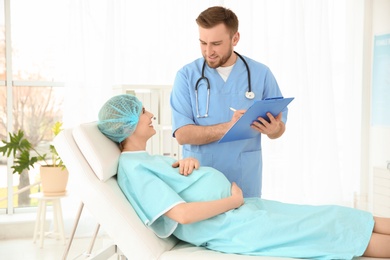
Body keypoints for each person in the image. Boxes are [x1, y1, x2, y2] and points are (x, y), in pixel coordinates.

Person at [98, 94, 390, 260]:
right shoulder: (132, 170)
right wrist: (233, 200)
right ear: (127, 124)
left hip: (244, 213)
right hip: (233, 226)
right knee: (332, 230)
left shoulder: (145, 160)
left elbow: (178, 185)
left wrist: (187, 162)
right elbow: (183, 215)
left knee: (334, 214)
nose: (150, 114)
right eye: (142, 111)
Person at [170, 6, 287, 198]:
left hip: (245, 178)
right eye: (203, 43)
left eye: (216, 43)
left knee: (247, 225)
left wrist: (274, 130)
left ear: (235, 39)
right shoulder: (186, 76)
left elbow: (279, 129)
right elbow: (182, 134)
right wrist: (229, 127)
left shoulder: (261, 74)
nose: (208, 51)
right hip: (201, 178)